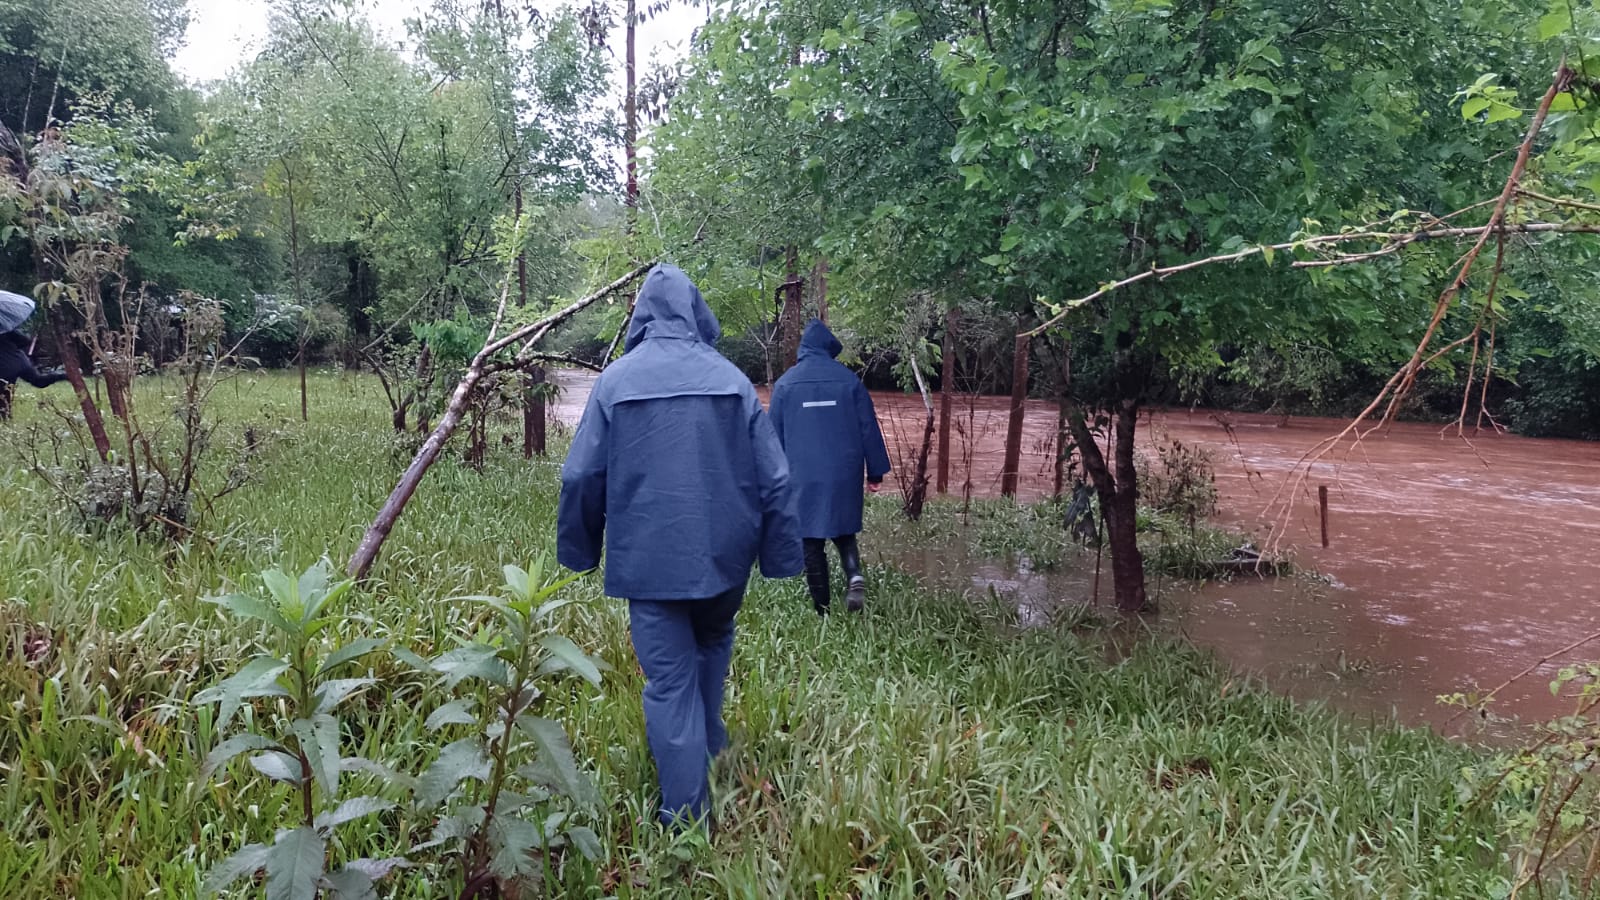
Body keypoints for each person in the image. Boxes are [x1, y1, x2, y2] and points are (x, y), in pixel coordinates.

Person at [556, 263, 802, 830]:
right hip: (725, 561)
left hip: (650, 563)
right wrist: (780, 556)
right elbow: (778, 479)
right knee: (712, 646)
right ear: (696, 313)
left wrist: (579, 553)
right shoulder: (733, 381)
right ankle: (709, 753)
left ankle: (686, 824)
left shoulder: (615, 381)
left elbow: (578, 479)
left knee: (669, 681)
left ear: (641, 315)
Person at [768, 318, 891, 615]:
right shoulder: (849, 381)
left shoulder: (785, 384)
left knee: (810, 541)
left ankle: (822, 609)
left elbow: (771, 438)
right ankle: (854, 575)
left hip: (802, 475)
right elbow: (868, 429)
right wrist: (875, 472)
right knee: (843, 530)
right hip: (844, 472)